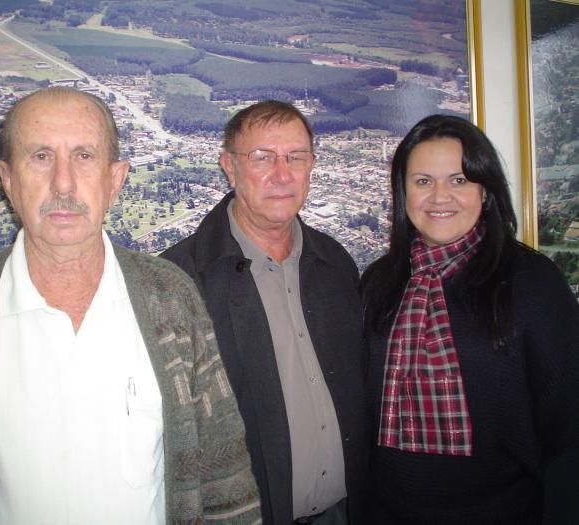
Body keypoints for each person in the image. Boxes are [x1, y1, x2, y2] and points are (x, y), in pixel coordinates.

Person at [0, 87, 261, 524]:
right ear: (7, 180)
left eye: (83, 156)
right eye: (40, 156)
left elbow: (224, 473)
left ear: (115, 180)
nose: (63, 183)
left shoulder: (171, 298)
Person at [360, 114, 579, 524]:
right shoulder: (379, 283)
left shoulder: (530, 282)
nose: (440, 197)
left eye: (459, 180)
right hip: (387, 513)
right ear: (402, 192)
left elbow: (568, 428)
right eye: (423, 181)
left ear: (485, 190)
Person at [162, 100, 367, 524]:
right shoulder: (179, 281)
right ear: (229, 167)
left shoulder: (335, 262)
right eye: (262, 158)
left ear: (312, 165)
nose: (282, 174)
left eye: (295, 157)